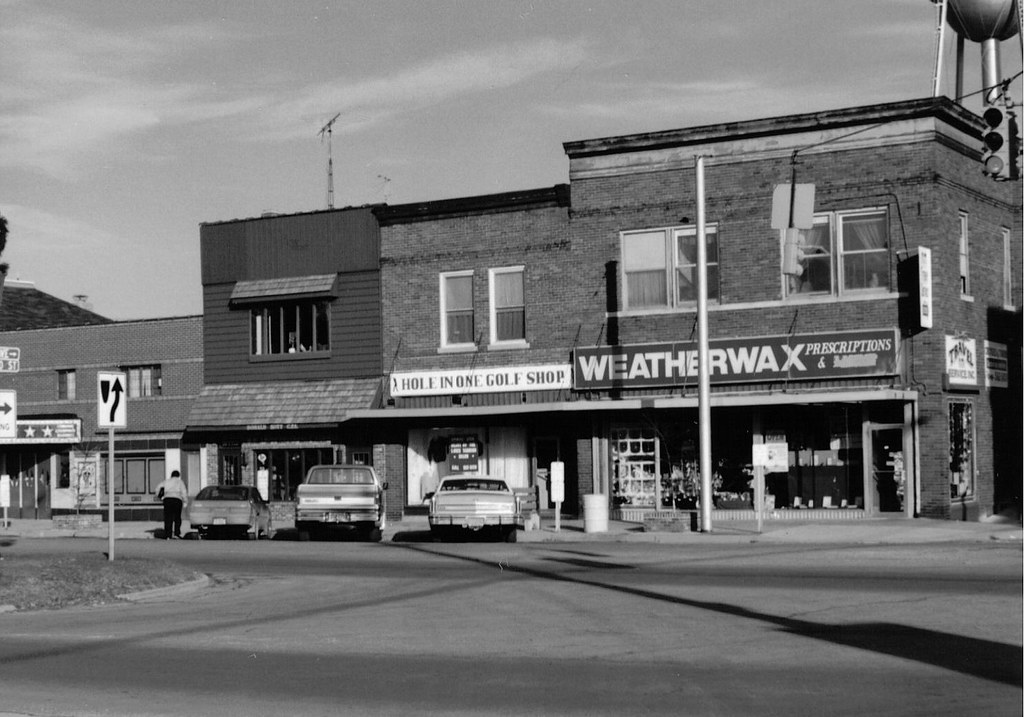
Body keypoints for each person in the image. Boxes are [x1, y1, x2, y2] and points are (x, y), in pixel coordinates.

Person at [154, 470, 189, 539]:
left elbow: (157, 488)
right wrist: (185, 501)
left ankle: (168, 535)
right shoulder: (180, 482)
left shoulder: (166, 481)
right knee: (177, 517)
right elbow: (184, 492)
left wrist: (161, 497)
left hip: (167, 500)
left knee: (168, 517)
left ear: (171, 475)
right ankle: (176, 533)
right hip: (177, 500)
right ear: (178, 475)